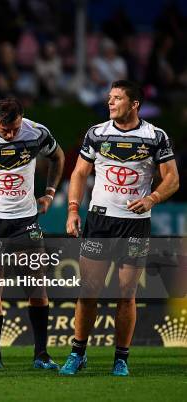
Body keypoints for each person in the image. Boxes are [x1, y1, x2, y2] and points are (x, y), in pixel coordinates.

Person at [60, 80, 179, 376]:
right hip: (100, 221)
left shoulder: (155, 136)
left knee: (126, 294)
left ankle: (121, 359)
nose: (110, 103)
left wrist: (152, 198)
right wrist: (73, 209)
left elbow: (172, 179)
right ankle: (78, 354)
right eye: (109, 98)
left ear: (134, 104)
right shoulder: (97, 134)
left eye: (116, 98)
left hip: (135, 225)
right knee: (89, 291)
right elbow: (78, 173)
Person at [0, 97, 65, 370]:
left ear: (22, 119)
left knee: (36, 288)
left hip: (26, 220)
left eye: (15, 128)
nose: (11, 134)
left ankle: (41, 354)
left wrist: (49, 193)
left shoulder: (36, 132)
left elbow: (57, 157)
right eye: (5, 130)